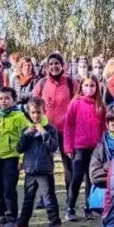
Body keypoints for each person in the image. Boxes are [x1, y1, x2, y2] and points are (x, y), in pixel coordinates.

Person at [14, 97, 62, 227]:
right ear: (29, 113)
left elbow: (54, 147)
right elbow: (19, 148)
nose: (36, 116)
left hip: (44, 171)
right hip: (30, 170)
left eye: (39, 113)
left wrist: (43, 133)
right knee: (28, 199)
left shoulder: (50, 129)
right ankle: (22, 224)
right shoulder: (26, 130)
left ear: (44, 112)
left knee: (49, 200)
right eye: (33, 113)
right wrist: (25, 135)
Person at [32, 52, 78, 190]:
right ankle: (45, 196)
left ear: (62, 65)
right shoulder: (42, 82)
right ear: (46, 67)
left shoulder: (71, 82)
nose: (54, 66)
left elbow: (77, 103)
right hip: (46, 129)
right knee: (45, 163)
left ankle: (71, 197)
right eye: (51, 64)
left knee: (68, 164)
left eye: (57, 63)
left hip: (66, 130)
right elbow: (33, 103)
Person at [0, 86, 32, 227]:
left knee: (9, 189)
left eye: (7, 98)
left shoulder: (19, 117)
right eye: (1, 98)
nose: (3, 101)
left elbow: (25, 139)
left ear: (14, 100)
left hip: (12, 158)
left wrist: (21, 159)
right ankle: (1, 215)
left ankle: (11, 217)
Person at [64, 76, 107, 221]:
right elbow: (68, 126)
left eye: (92, 86)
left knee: (91, 179)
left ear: (97, 87)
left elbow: (103, 129)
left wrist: (102, 146)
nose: (89, 88)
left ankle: (88, 207)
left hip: (95, 148)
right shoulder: (75, 103)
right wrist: (68, 146)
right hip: (79, 147)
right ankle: (70, 207)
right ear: (81, 86)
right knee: (76, 177)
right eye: (86, 85)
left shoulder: (100, 105)